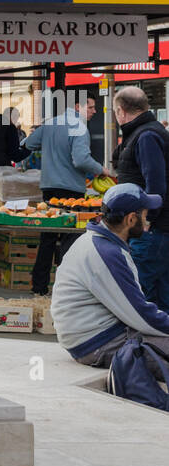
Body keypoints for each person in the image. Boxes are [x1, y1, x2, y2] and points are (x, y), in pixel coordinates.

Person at [51, 184, 169, 372]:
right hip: (98, 342)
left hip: (91, 335)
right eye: (145, 215)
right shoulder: (107, 253)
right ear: (131, 219)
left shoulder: (97, 240)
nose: (148, 221)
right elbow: (140, 315)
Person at [22, 94, 105, 295]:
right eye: (91, 107)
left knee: (48, 237)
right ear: (78, 106)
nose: (94, 111)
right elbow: (81, 160)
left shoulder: (51, 124)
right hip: (71, 192)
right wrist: (102, 170)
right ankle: (65, 289)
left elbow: (28, 143)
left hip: (49, 188)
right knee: (70, 238)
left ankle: (39, 287)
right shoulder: (79, 128)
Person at [113, 86, 169, 309]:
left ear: (120, 110)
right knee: (159, 295)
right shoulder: (146, 132)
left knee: (141, 294)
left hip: (151, 230)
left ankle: (145, 342)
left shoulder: (146, 136)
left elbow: (155, 183)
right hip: (153, 229)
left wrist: (148, 220)